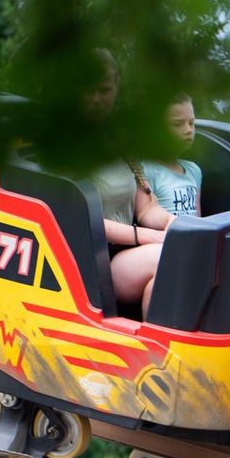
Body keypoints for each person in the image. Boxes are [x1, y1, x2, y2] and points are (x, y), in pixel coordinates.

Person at [79, 51, 168, 315]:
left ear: (117, 84)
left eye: (104, 90)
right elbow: (81, 217)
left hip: (128, 251)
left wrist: (171, 224)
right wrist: (147, 237)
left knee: (188, 250)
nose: (96, 99)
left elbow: (146, 209)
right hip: (91, 257)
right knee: (171, 257)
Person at [138, 93, 202, 224]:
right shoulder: (145, 170)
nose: (189, 130)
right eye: (178, 124)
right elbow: (144, 213)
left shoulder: (194, 170)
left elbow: (199, 220)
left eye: (191, 123)